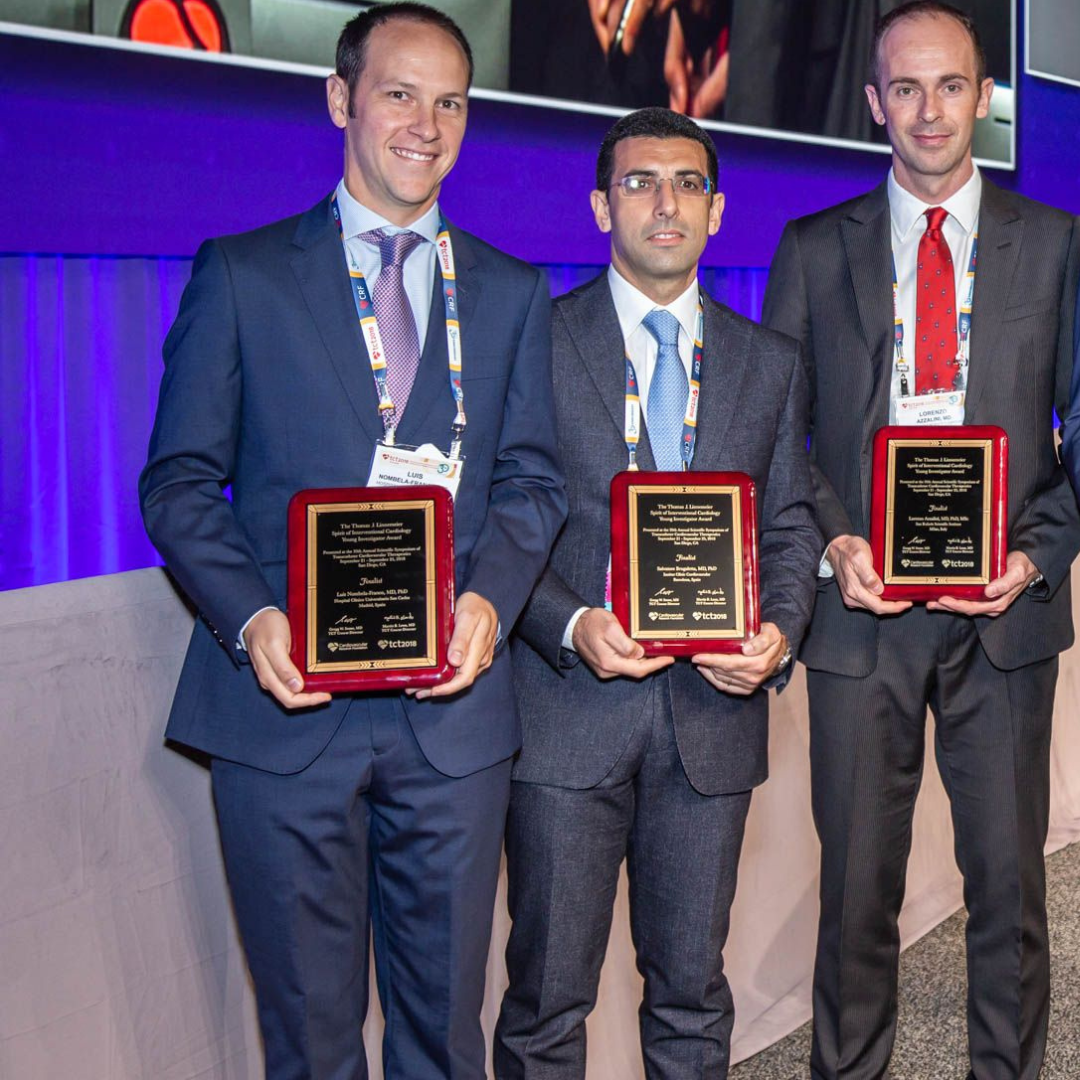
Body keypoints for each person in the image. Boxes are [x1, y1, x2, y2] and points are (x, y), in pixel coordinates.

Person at [139, 5, 566, 1078]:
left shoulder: (512, 294)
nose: (426, 123)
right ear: (341, 100)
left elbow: (531, 482)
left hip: (454, 724)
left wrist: (492, 601)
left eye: (452, 101)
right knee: (311, 1042)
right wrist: (252, 618)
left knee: (443, 1038)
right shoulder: (242, 276)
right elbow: (178, 483)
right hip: (285, 723)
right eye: (399, 92)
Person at [762, 4, 1080, 1078]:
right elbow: (776, 436)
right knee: (856, 893)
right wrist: (836, 542)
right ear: (873, 104)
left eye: (950, 86)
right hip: (864, 621)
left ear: (983, 97)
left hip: (1007, 611)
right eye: (905, 88)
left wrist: (1036, 552)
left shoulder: (1056, 247)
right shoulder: (812, 251)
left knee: (1009, 891)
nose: (929, 110)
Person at [494, 106, 821, 1079]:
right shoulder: (537, 344)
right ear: (602, 205)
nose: (664, 203)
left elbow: (793, 525)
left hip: (709, 726)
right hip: (564, 719)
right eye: (639, 182)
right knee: (548, 1002)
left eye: (686, 184)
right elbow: (498, 522)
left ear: (717, 211)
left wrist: (780, 632)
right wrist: (568, 622)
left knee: (690, 995)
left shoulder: (769, 362)